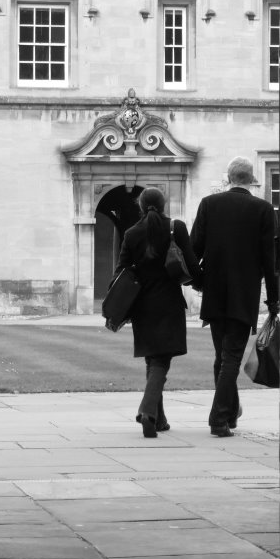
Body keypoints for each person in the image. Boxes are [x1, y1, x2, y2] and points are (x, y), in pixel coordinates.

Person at [191, 156, 279, 437]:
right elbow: (270, 261)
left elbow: (193, 251)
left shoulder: (209, 204)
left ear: (229, 179)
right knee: (230, 357)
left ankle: (230, 411)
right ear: (251, 180)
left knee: (222, 356)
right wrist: (274, 300)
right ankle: (219, 419)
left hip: (214, 292)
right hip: (244, 293)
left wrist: (199, 282)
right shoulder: (263, 209)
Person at [112, 187, 202, 439]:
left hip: (142, 304)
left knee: (153, 359)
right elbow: (193, 266)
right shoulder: (177, 227)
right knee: (161, 360)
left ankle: (159, 419)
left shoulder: (131, 233)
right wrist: (202, 283)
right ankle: (147, 412)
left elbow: (120, 271)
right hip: (169, 302)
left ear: (140, 206)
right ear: (164, 205)